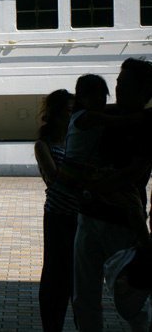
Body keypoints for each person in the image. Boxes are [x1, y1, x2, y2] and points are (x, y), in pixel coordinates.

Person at [73, 58, 152, 332]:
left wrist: (95, 187)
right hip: (91, 214)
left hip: (121, 220)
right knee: (84, 296)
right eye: (118, 83)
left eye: (126, 85)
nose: (119, 89)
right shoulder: (105, 117)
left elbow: (135, 170)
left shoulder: (145, 125)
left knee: (133, 298)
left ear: (145, 93)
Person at [33, 89, 77, 332]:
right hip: (57, 217)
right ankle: (52, 325)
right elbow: (54, 178)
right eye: (68, 112)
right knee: (54, 273)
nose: (72, 117)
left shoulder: (76, 141)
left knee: (77, 274)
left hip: (80, 216)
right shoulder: (44, 145)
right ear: (56, 113)